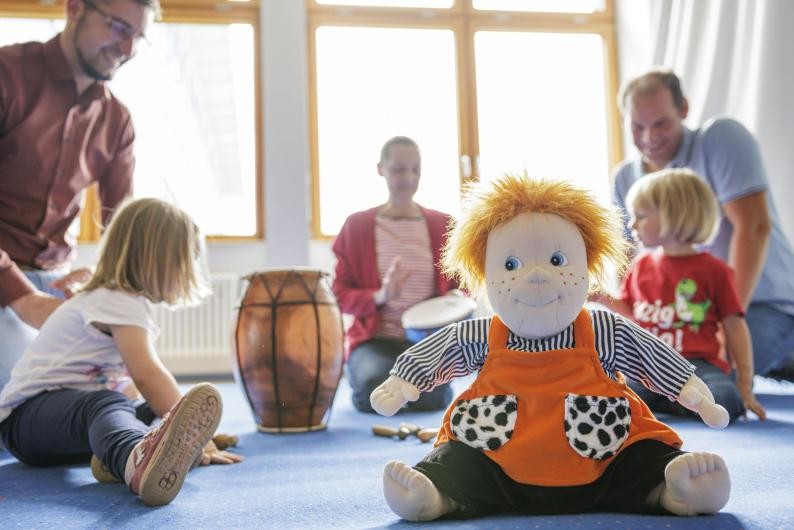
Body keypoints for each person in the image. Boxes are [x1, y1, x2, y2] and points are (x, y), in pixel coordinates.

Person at [370, 174, 730, 521]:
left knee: (639, 456)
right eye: (511, 265)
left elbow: (649, 355)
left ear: (587, 265)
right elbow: (443, 349)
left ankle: (672, 488)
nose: (538, 275)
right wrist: (404, 380)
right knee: (461, 461)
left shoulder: (603, 327)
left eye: (558, 261)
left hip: (603, 463)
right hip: (497, 466)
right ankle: (435, 495)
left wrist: (690, 388)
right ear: (485, 274)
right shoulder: (482, 334)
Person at [0, 198, 243, 506]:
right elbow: (148, 375)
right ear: (153, 258)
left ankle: (116, 455)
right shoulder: (117, 300)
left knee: (139, 408)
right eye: (185, 260)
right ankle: (134, 458)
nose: (189, 271)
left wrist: (178, 427)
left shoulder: (118, 301)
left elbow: (129, 385)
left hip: (60, 425)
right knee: (112, 404)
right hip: (24, 422)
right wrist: (195, 433)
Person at [0, 0, 159, 390]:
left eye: (138, 37)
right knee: (23, 398)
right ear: (74, 8)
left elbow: (121, 227)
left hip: (52, 282)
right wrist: (24, 298)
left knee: (115, 384)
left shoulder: (117, 121)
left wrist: (104, 278)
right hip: (8, 283)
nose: (127, 50)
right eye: (119, 28)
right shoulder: (7, 76)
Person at [612, 69, 794, 380]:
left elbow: (753, 227)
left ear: (683, 109)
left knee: (707, 381)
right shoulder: (626, 177)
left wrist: (726, 320)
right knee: (646, 378)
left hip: (760, 305)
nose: (649, 138)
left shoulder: (720, 139)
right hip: (687, 317)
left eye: (661, 124)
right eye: (637, 127)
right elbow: (625, 258)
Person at [596, 169, 765, 422]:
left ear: (673, 216)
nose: (631, 226)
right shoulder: (640, 266)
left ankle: (675, 402)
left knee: (726, 397)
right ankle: (680, 402)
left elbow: (735, 325)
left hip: (700, 365)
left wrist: (744, 383)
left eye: (640, 217)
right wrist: (600, 297)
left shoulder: (714, 270)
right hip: (650, 363)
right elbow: (632, 313)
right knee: (613, 394)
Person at [331, 136, 459, 413]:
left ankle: (406, 382)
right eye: (399, 169)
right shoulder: (358, 226)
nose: (409, 177)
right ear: (381, 169)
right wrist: (381, 295)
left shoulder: (443, 225)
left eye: (416, 169)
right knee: (374, 392)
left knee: (435, 398)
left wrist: (455, 298)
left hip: (426, 343)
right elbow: (340, 296)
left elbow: (463, 285)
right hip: (375, 340)